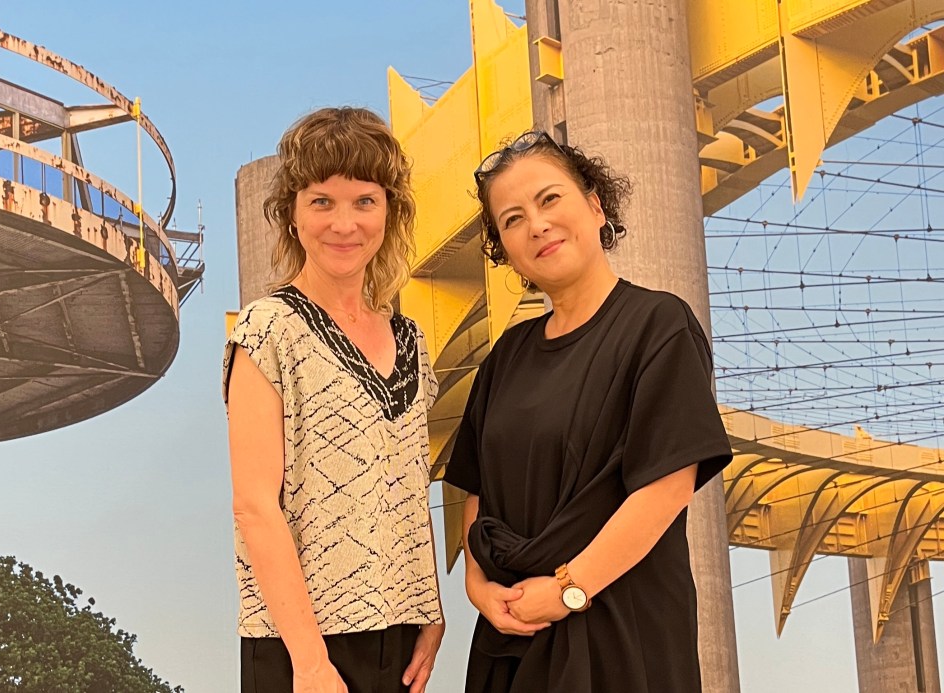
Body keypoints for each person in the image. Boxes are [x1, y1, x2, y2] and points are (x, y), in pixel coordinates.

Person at [442, 130, 733, 692]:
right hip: (513, 632)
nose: (537, 225)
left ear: (596, 206)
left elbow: (667, 486)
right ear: (506, 252)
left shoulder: (659, 325)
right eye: (512, 220)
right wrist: (479, 589)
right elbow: (476, 488)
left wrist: (567, 590)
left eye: (550, 199)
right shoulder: (506, 355)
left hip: (622, 628)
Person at [222, 107, 444, 693]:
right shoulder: (268, 329)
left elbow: (408, 487)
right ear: (291, 214)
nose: (344, 224)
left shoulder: (410, 339)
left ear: (389, 211)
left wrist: (430, 607)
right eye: (322, 201)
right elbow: (254, 506)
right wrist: (311, 662)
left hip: (400, 634)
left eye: (364, 201)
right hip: (299, 645)